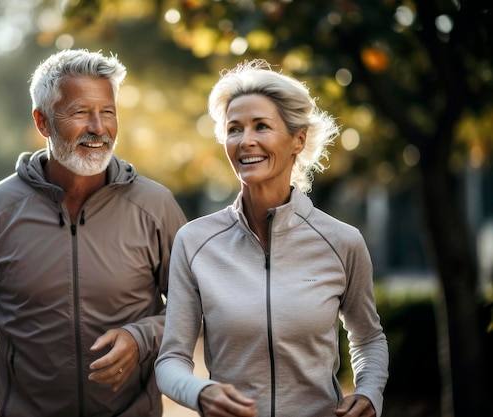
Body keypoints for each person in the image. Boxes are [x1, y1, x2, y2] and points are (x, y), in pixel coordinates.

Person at [0, 49, 187, 417]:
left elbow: (194, 306)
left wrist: (142, 337)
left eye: (108, 112)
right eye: (80, 112)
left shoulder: (156, 207)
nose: (98, 127)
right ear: (42, 121)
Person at [155, 59, 389, 417]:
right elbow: (171, 359)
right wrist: (200, 392)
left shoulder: (342, 242)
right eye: (234, 129)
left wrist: (369, 392)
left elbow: (368, 338)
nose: (246, 140)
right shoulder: (195, 242)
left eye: (261, 126)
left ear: (298, 139)